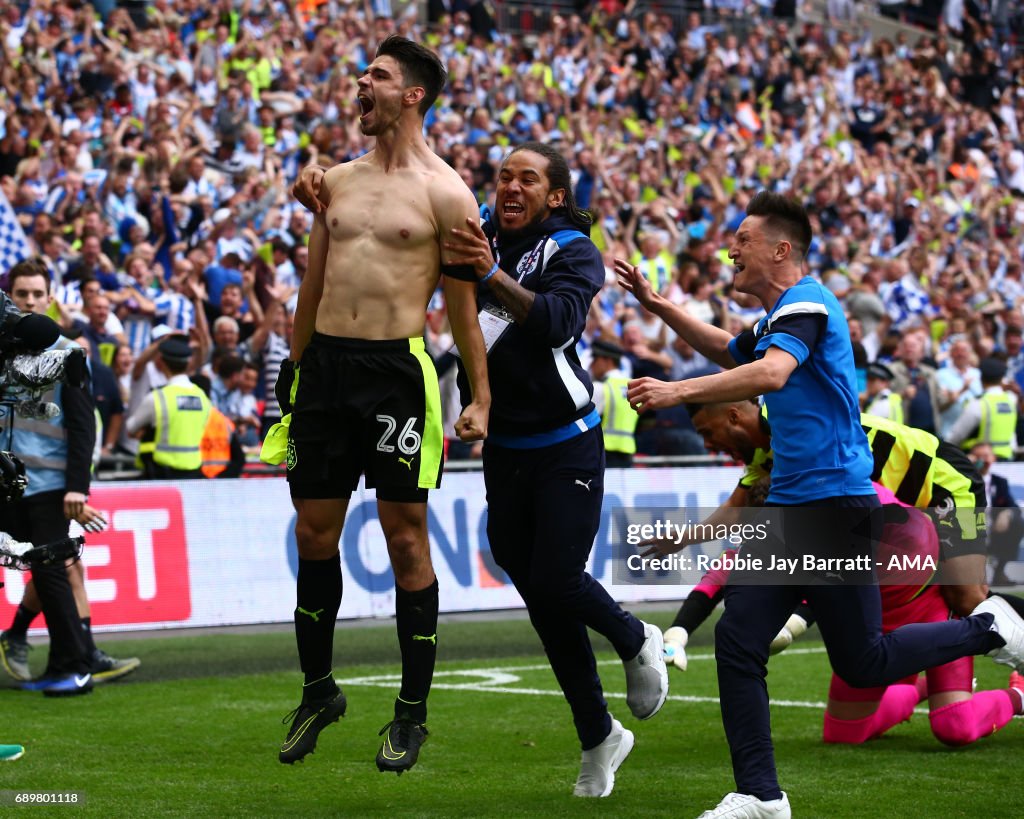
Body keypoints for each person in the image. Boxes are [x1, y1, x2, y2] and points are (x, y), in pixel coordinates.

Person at [615, 191, 1024, 819]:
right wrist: (660, 306)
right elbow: (735, 351)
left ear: (781, 249)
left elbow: (771, 373)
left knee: (868, 657)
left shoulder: (807, 303)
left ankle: (988, 628)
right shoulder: (783, 316)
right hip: (795, 511)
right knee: (760, 645)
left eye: (744, 238)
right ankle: (760, 795)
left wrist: (676, 390)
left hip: (848, 505)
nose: (732, 249)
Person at [281, 35, 490, 774]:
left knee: (406, 542)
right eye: (364, 72)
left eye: (378, 74)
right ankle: (319, 689)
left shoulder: (449, 193)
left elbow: (464, 314)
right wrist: (294, 365)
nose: (360, 82)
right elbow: (312, 283)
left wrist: (480, 398)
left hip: (398, 373)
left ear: (413, 96)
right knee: (313, 532)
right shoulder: (331, 181)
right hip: (327, 372)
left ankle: (411, 713)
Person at [442, 141, 668, 798]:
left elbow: (556, 322)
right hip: (505, 445)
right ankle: (599, 734)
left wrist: (488, 275)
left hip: (567, 440)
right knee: (541, 594)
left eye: (528, 178)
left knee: (556, 578)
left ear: (556, 195)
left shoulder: (573, 250)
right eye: (504, 174)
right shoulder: (481, 233)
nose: (511, 186)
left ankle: (634, 635)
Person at [125, 335, 211, 480]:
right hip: (194, 471)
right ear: (188, 364)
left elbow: (131, 428)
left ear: (161, 362)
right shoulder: (202, 397)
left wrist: (147, 430)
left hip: (161, 473)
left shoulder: (158, 397)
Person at [971, 442, 1024, 587]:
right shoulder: (963, 480)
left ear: (993, 458)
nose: (984, 460)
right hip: (969, 526)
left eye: (987, 456)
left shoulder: (1000, 482)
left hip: (993, 529)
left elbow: (1013, 505)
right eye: (979, 457)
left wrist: (1006, 513)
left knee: (1017, 522)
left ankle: (1000, 571)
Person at [947, 357, 1018, 461]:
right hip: (1007, 458)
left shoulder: (978, 403)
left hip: (980, 461)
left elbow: (956, 436)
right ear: (1002, 379)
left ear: (981, 378)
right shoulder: (1010, 400)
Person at [589, 338, 639, 468]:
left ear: (607, 361)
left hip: (604, 452)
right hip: (628, 451)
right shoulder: (633, 386)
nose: (591, 365)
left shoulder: (601, 387)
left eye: (595, 359)